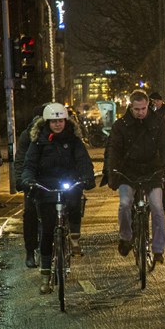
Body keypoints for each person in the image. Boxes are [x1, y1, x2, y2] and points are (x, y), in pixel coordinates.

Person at [21, 103, 95, 293]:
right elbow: (29, 164)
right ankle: (45, 277)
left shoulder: (74, 140)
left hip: (69, 183)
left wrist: (87, 177)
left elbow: (83, 161)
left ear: (65, 121)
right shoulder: (38, 142)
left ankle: (74, 238)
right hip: (46, 188)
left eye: (60, 120)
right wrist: (28, 180)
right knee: (47, 230)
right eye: (54, 121)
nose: (57, 124)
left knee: (76, 199)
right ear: (47, 122)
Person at [108, 90, 165, 264]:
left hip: (152, 171)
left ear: (148, 106)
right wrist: (113, 171)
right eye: (137, 109)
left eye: (143, 108)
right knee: (124, 204)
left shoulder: (158, 123)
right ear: (131, 107)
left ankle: (159, 249)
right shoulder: (121, 125)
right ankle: (126, 237)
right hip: (128, 172)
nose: (140, 112)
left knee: (157, 208)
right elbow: (114, 150)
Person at [15, 104, 46, 268]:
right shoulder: (28, 136)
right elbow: (20, 160)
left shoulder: (62, 133)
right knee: (30, 214)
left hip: (53, 179)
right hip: (33, 180)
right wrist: (21, 181)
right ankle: (30, 250)